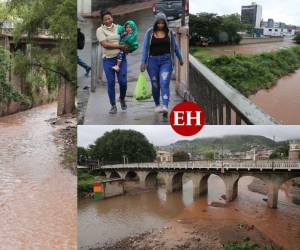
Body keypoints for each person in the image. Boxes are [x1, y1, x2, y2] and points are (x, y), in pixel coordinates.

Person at [140, 13, 184, 117]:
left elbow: (175, 47)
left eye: (162, 23)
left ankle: (165, 106)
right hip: (152, 62)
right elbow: (145, 48)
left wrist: (180, 58)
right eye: (158, 23)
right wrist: (143, 62)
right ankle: (157, 105)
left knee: (164, 83)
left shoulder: (169, 33)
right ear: (155, 23)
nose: (160, 25)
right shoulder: (149, 32)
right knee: (155, 84)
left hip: (166, 61)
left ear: (165, 23)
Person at [96, 10, 129, 114]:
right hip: (108, 60)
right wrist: (120, 46)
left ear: (112, 18)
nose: (107, 21)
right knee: (111, 83)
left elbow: (127, 38)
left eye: (109, 18)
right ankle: (113, 105)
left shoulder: (119, 28)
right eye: (105, 19)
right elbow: (105, 44)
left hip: (121, 58)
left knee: (123, 81)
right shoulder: (100, 30)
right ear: (102, 20)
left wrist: (128, 47)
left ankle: (122, 98)